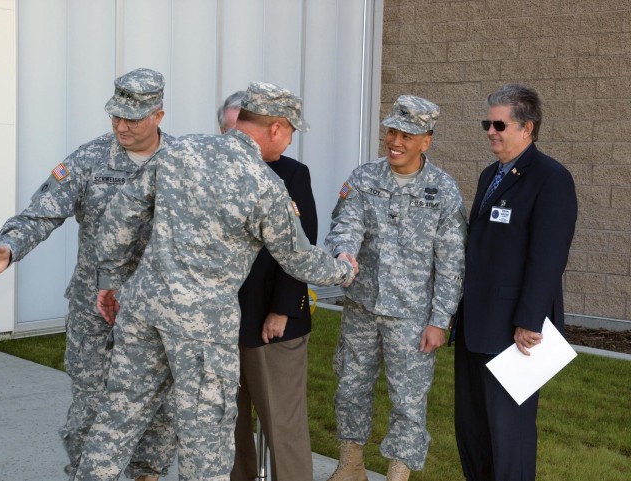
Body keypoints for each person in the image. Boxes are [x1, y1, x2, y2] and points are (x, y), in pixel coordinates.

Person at [72, 81, 357, 481]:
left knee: (117, 420)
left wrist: (112, 279)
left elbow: (122, 214)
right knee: (205, 444)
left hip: (143, 310)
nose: (290, 142)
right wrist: (344, 268)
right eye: (291, 132)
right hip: (203, 328)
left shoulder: (180, 151)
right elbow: (299, 258)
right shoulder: (265, 185)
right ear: (276, 127)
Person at [0, 68, 177, 481]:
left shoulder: (184, 164)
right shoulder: (89, 159)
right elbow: (40, 212)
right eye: (115, 116)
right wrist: (7, 247)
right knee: (90, 402)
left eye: (132, 117)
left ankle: (147, 474)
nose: (120, 125)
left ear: (158, 116)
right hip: (94, 309)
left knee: (161, 405)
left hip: (156, 307)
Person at [324, 95, 467, 481]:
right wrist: (344, 253)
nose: (396, 141)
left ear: (426, 140)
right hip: (362, 306)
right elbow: (344, 225)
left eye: (407, 134)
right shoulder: (364, 177)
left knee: (408, 399)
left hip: (412, 315)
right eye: (391, 131)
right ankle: (351, 464)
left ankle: (398, 474)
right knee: (350, 387)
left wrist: (440, 320)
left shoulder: (443, 190)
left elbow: (452, 262)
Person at [453, 83, 577, 481]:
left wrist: (530, 320)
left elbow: (549, 257)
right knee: (473, 430)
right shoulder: (491, 174)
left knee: (510, 435)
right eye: (487, 123)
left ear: (527, 127)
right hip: (477, 323)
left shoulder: (551, 177)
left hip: (515, 332)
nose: (490, 131)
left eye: (499, 124)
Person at [218, 91, 317, 481]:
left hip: (270, 317)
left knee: (282, 424)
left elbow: (301, 246)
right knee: (227, 423)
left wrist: (282, 308)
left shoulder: (292, 173)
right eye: (229, 131)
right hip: (219, 320)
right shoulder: (209, 172)